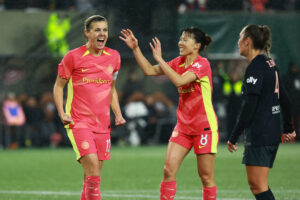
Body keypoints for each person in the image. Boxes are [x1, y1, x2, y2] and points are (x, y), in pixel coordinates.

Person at [120, 27, 219, 200]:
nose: (180, 42)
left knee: (206, 177)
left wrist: (159, 58)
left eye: (186, 39)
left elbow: (179, 81)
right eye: (180, 38)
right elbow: (149, 70)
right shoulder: (178, 62)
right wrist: (136, 48)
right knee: (168, 171)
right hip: (183, 126)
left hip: (204, 127)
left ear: (196, 45)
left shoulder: (202, 64)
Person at [53, 15, 126, 200]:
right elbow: (58, 86)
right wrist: (62, 113)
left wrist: (118, 114)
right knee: (92, 168)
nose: (102, 34)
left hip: (102, 124)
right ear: (87, 33)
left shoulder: (114, 57)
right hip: (78, 121)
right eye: (97, 30)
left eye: (105, 30)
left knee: (92, 176)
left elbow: (111, 89)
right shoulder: (73, 57)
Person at [226, 24, 296, 200]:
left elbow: (249, 108)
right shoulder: (270, 64)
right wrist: (288, 128)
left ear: (247, 41)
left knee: (258, 186)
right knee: (257, 185)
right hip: (270, 132)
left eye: (240, 38)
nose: (238, 42)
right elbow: (285, 99)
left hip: (261, 133)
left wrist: (233, 136)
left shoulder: (256, 67)